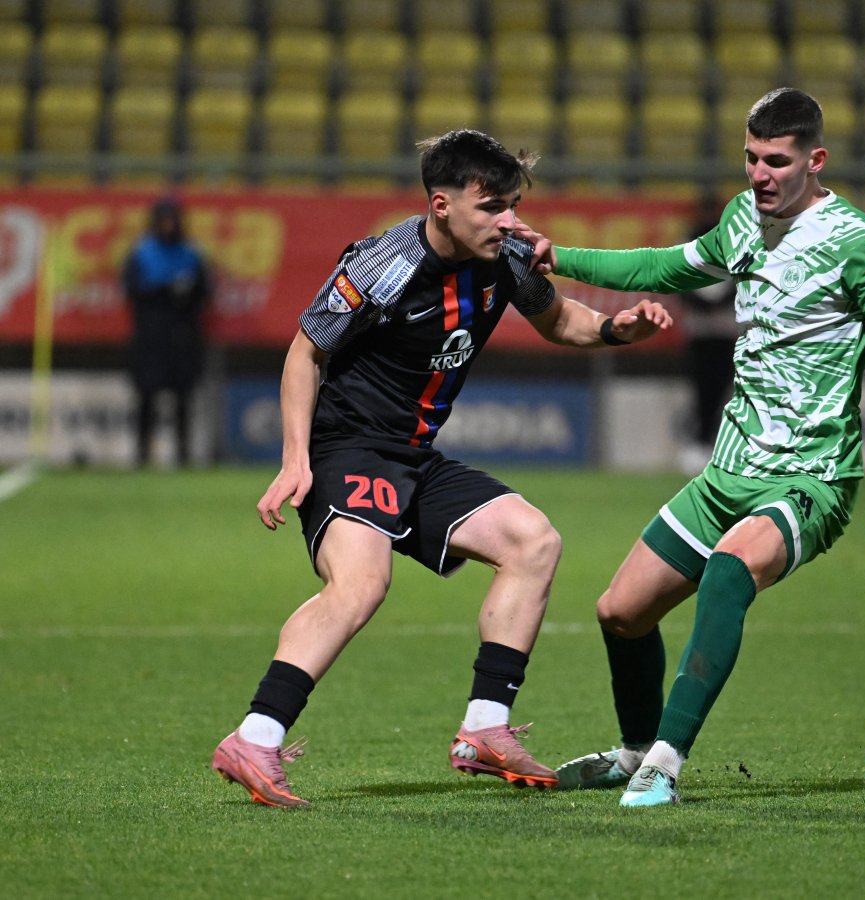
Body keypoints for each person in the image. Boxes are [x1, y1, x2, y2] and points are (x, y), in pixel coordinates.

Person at [210, 130, 672, 808]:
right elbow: (305, 352)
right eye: (492, 206)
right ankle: (255, 737)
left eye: (513, 205)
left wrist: (615, 329)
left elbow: (557, 320)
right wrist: (294, 460)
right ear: (441, 205)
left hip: (413, 457)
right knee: (361, 584)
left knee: (532, 540)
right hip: (349, 447)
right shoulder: (384, 265)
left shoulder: (506, 256)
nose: (508, 221)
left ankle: (485, 728)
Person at [519, 87, 865, 807]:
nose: (759, 174)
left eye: (776, 161)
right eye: (750, 157)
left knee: (730, 568)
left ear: (815, 160)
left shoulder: (858, 243)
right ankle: (634, 749)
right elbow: (661, 268)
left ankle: (665, 762)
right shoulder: (742, 219)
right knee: (621, 612)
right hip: (730, 471)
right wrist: (559, 256)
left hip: (810, 478)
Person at [121, 196, 212, 466]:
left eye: (172, 220)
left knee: (183, 395)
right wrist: (164, 291)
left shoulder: (190, 254)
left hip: (183, 334)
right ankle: (142, 453)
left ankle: (183, 454)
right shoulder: (142, 253)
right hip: (150, 335)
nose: (168, 225)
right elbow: (131, 290)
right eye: (163, 220)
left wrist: (186, 293)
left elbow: (205, 293)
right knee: (146, 395)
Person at [675, 193, 738, 474]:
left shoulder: (735, 241)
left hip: (726, 329)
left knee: (725, 386)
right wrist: (704, 303)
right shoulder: (690, 241)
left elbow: (743, 280)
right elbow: (679, 280)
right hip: (699, 329)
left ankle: (717, 444)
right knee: (701, 387)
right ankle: (699, 443)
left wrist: (720, 301)